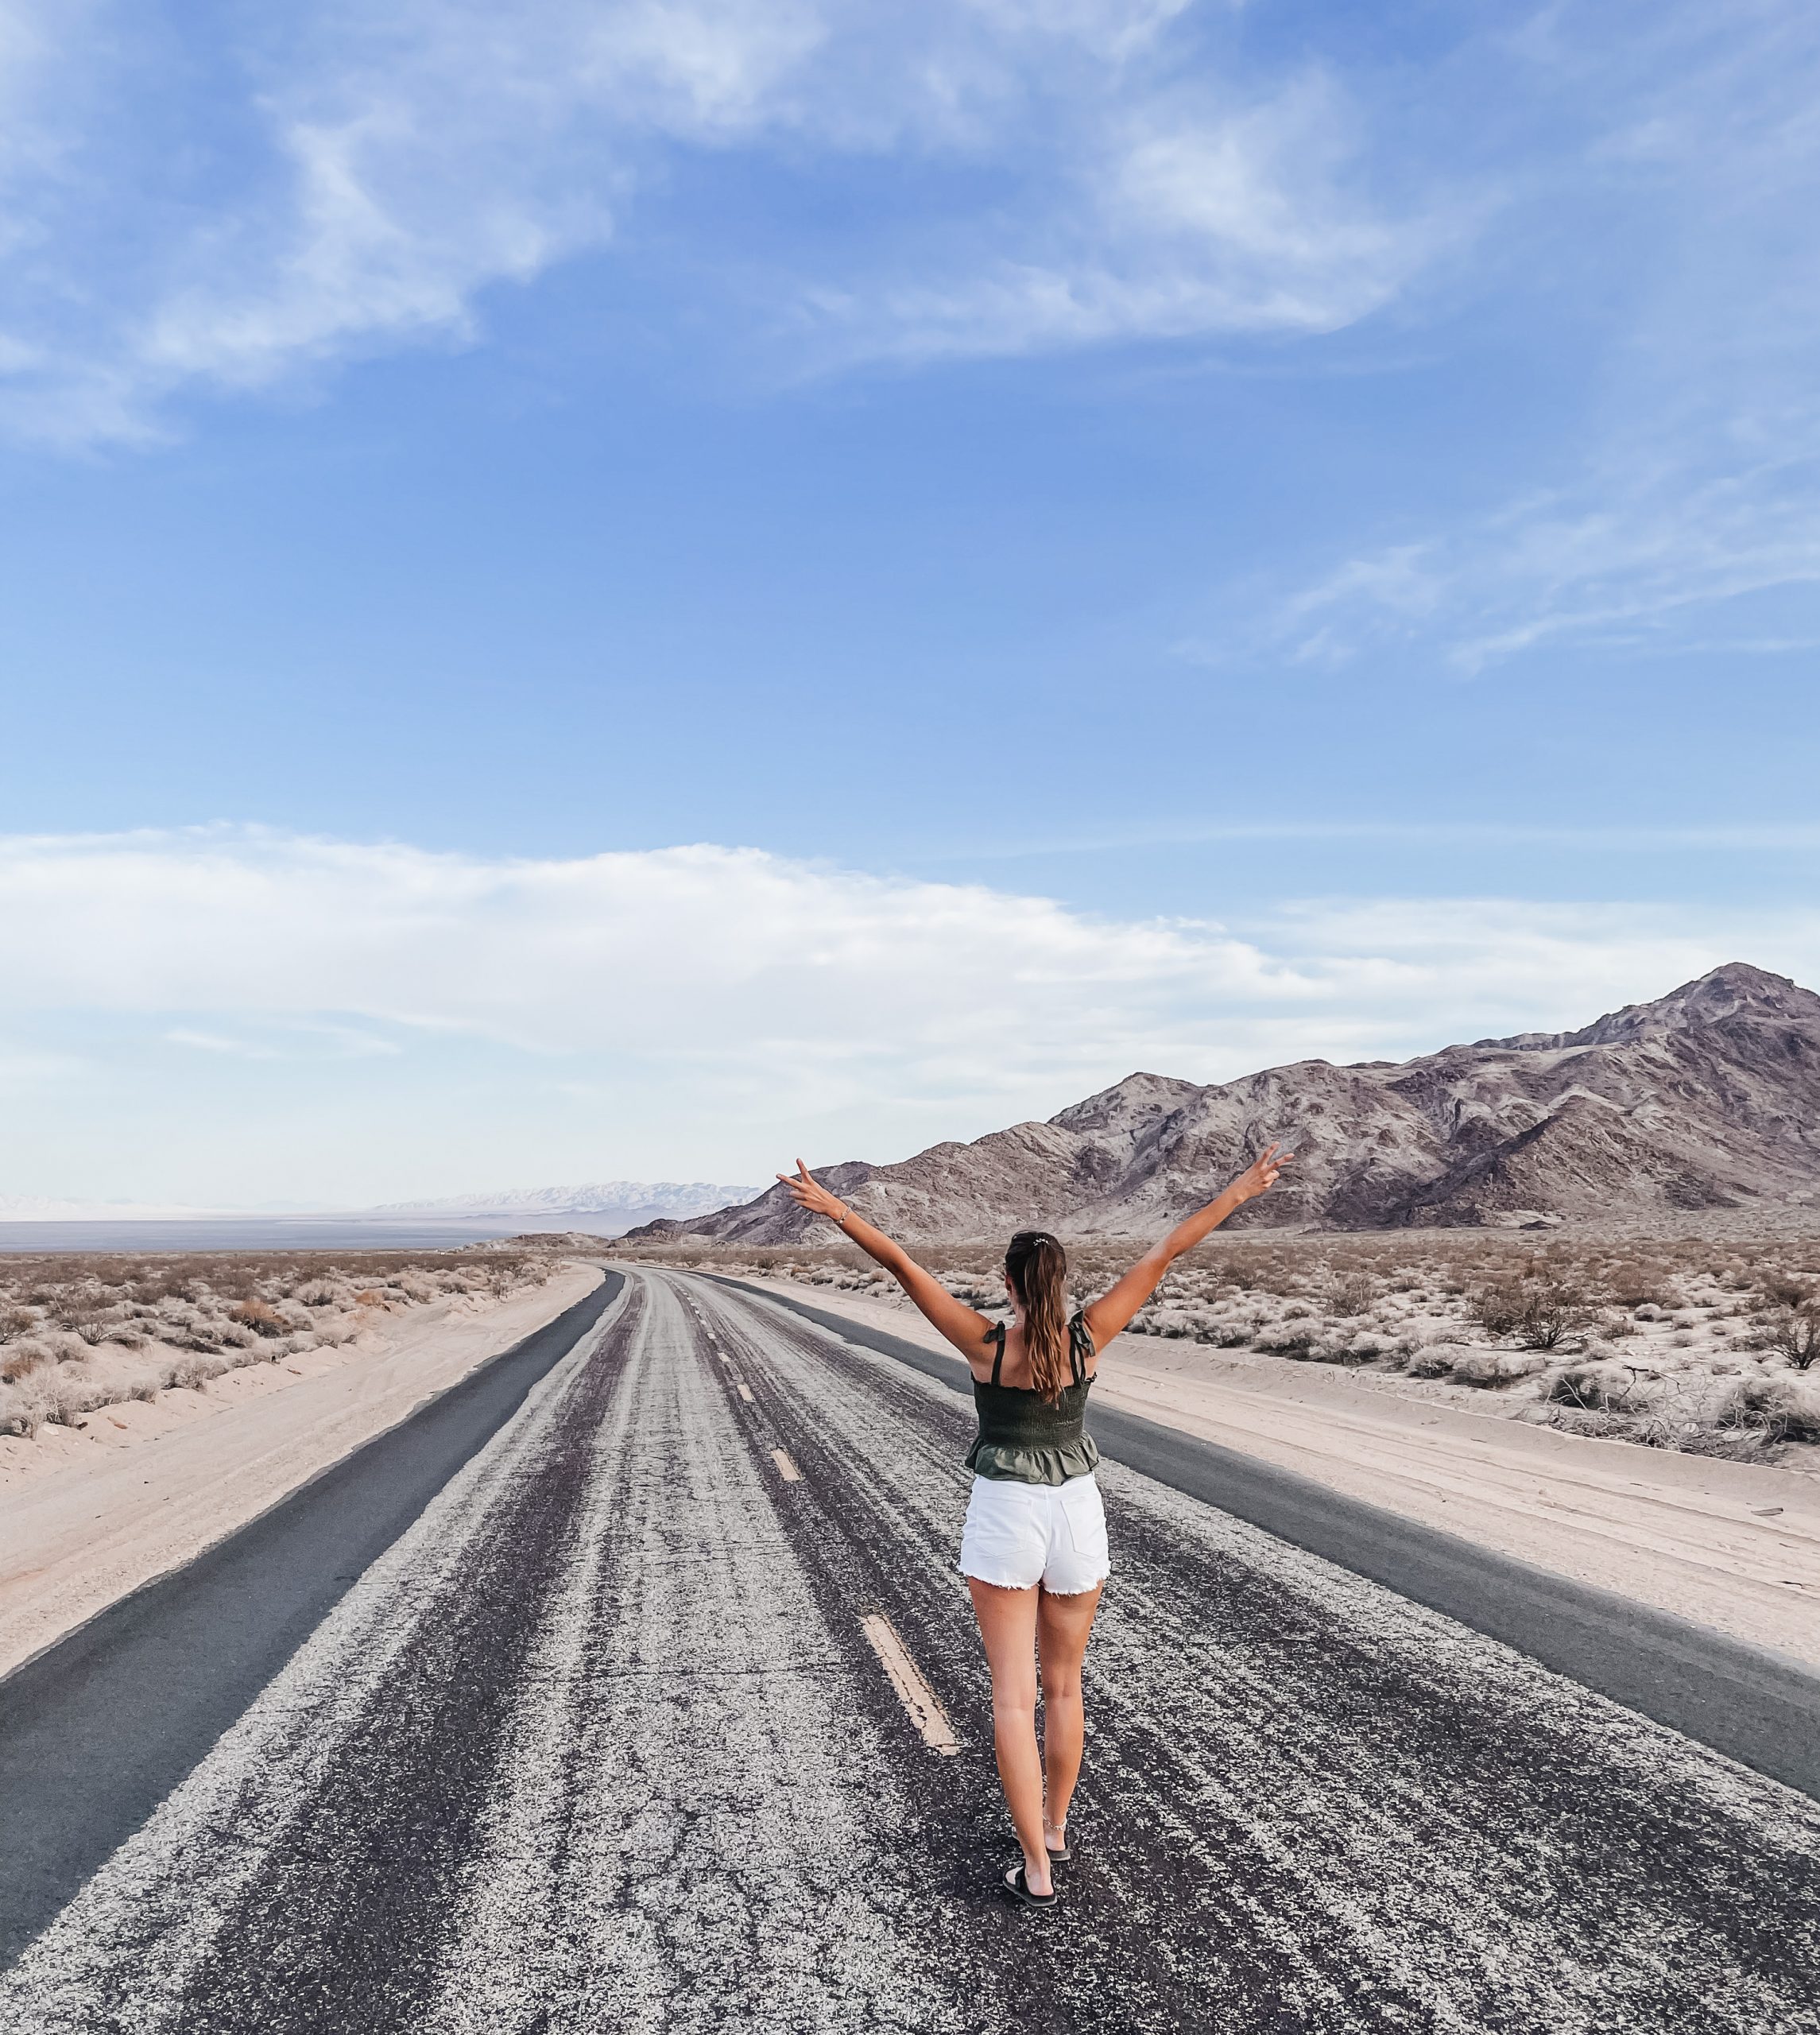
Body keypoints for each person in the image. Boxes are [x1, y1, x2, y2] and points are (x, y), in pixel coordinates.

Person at [778, 1142, 1291, 1909]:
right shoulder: (1090, 1337)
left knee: (1013, 1700)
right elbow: (1167, 1251)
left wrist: (837, 1210)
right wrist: (1240, 1192)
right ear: (1062, 1284)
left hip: (1008, 1514)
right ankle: (1054, 1828)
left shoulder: (986, 1346)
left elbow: (900, 1264)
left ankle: (1036, 1867)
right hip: (1078, 1513)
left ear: (1009, 1285)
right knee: (1065, 1688)